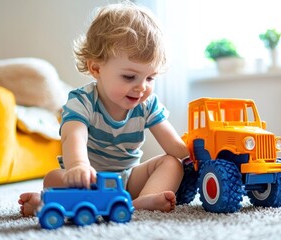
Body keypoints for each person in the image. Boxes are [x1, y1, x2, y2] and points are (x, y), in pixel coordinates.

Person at [18, 2, 189, 217]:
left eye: (150, 77)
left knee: (172, 163)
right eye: (129, 76)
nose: (142, 87)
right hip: (87, 180)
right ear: (96, 68)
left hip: (127, 180)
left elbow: (174, 146)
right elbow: (73, 136)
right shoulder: (82, 101)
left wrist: (196, 155)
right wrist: (78, 166)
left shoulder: (147, 104)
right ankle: (47, 202)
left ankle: (143, 199)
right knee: (53, 178)